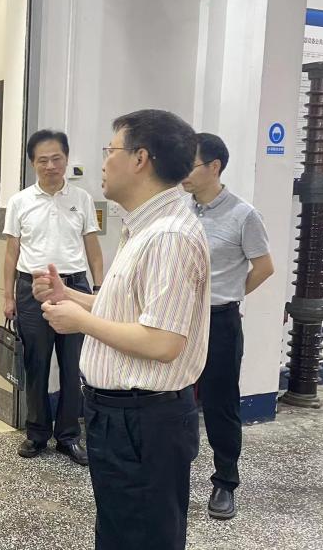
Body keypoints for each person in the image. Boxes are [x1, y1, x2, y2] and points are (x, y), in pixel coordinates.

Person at [33, 109, 209, 550]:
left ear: (140, 159)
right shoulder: (144, 228)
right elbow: (132, 312)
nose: (104, 162)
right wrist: (71, 296)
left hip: (144, 419)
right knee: (120, 530)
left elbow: (163, 342)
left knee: (141, 535)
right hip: (123, 416)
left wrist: (80, 322)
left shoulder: (168, 236)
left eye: (110, 150)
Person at [181, 132, 274, 520]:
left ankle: (225, 482)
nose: (183, 172)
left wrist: (231, 293)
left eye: (190, 164)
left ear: (214, 166)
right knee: (176, 398)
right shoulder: (181, 210)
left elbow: (264, 267)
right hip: (179, 320)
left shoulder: (243, 215)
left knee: (220, 403)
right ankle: (175, 471)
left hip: (220, 320)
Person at [2, 129, 103, 465]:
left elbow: (92, 246)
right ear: (33, 163)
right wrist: (8, 296)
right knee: (36, 363)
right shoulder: (20, 201)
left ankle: (69, 435)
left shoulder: (82, 199)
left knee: (73, 365)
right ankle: (36, 433)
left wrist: (99, 289)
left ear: (66, 159)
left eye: (56, 158)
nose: (50, 166)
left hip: (74, 287)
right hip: (32, 289)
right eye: (42, 160)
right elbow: (11, 252)